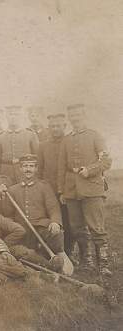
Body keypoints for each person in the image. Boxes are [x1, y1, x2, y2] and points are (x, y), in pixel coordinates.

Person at [57, 104, 113, 276]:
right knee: (77, 227)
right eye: (72, 116)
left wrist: (89, 170)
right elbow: (61, 167)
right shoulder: (66, 140)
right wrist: (61, 191)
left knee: (96, 227)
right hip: (71, 190)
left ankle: (103, 264)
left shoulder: (94, 136)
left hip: (92, 189)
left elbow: (106, 161)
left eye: (78, 115)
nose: (75, 118)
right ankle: (86, 261)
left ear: (84, 115)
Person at [0, 154, 67, 270]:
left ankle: (60, 255)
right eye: (25, 166)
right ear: (20, 168)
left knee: (56, 232)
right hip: (22, 228)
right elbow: (7, 213)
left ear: (36, 169)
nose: (28, 169)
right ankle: (43, 262)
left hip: (40, 226)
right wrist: (3, 196)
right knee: (23, 250)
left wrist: (55, 222)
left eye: (31, 166)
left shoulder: (44, 187)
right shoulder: (13, 189)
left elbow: (53, 208)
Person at [0, 196, 62, 271]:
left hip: (2, 247)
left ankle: (50, 266)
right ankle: (30, 273)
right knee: (3, 264)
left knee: (24, 252)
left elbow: (19, 230)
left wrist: (4, 244)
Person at [38, 113, 72, 256]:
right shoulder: (43, 145)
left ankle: (68, 252)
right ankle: (51, 251)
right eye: (52, 126)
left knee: (68, 222)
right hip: (49, 190)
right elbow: (40, 169)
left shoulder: (70, 141)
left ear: (64, 126)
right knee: (51, 221)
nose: (55, 129)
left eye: (58, 125)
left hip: (68, 189)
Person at [0, 106, 39, 184]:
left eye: (16, 114)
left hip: (25, 172)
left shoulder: (30, 135)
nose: (13, 117)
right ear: (6, 117)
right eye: (11, 114)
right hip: (5, 172)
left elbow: (37, 157)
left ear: (21, 117)